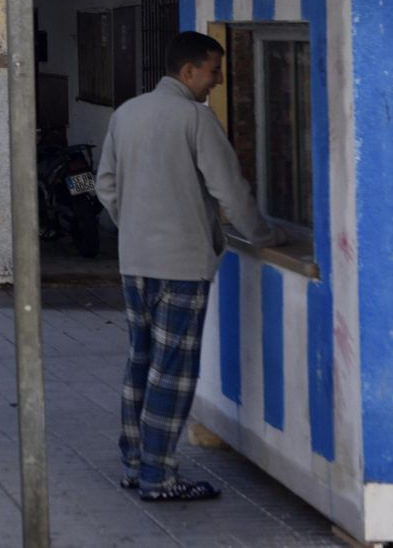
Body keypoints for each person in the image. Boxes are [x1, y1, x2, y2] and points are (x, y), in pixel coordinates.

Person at [95, 30, 283, 503]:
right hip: (181, 265)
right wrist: (262, 236)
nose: (217, 82)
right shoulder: (195, 119)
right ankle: (159, 477)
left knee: (141, 362)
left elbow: (106, 186)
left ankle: (135, 464)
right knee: (174, 372)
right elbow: (230, 190)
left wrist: (134, 226)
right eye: (214, 72)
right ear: (188, 71)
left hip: (135, 261)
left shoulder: (126, 113)